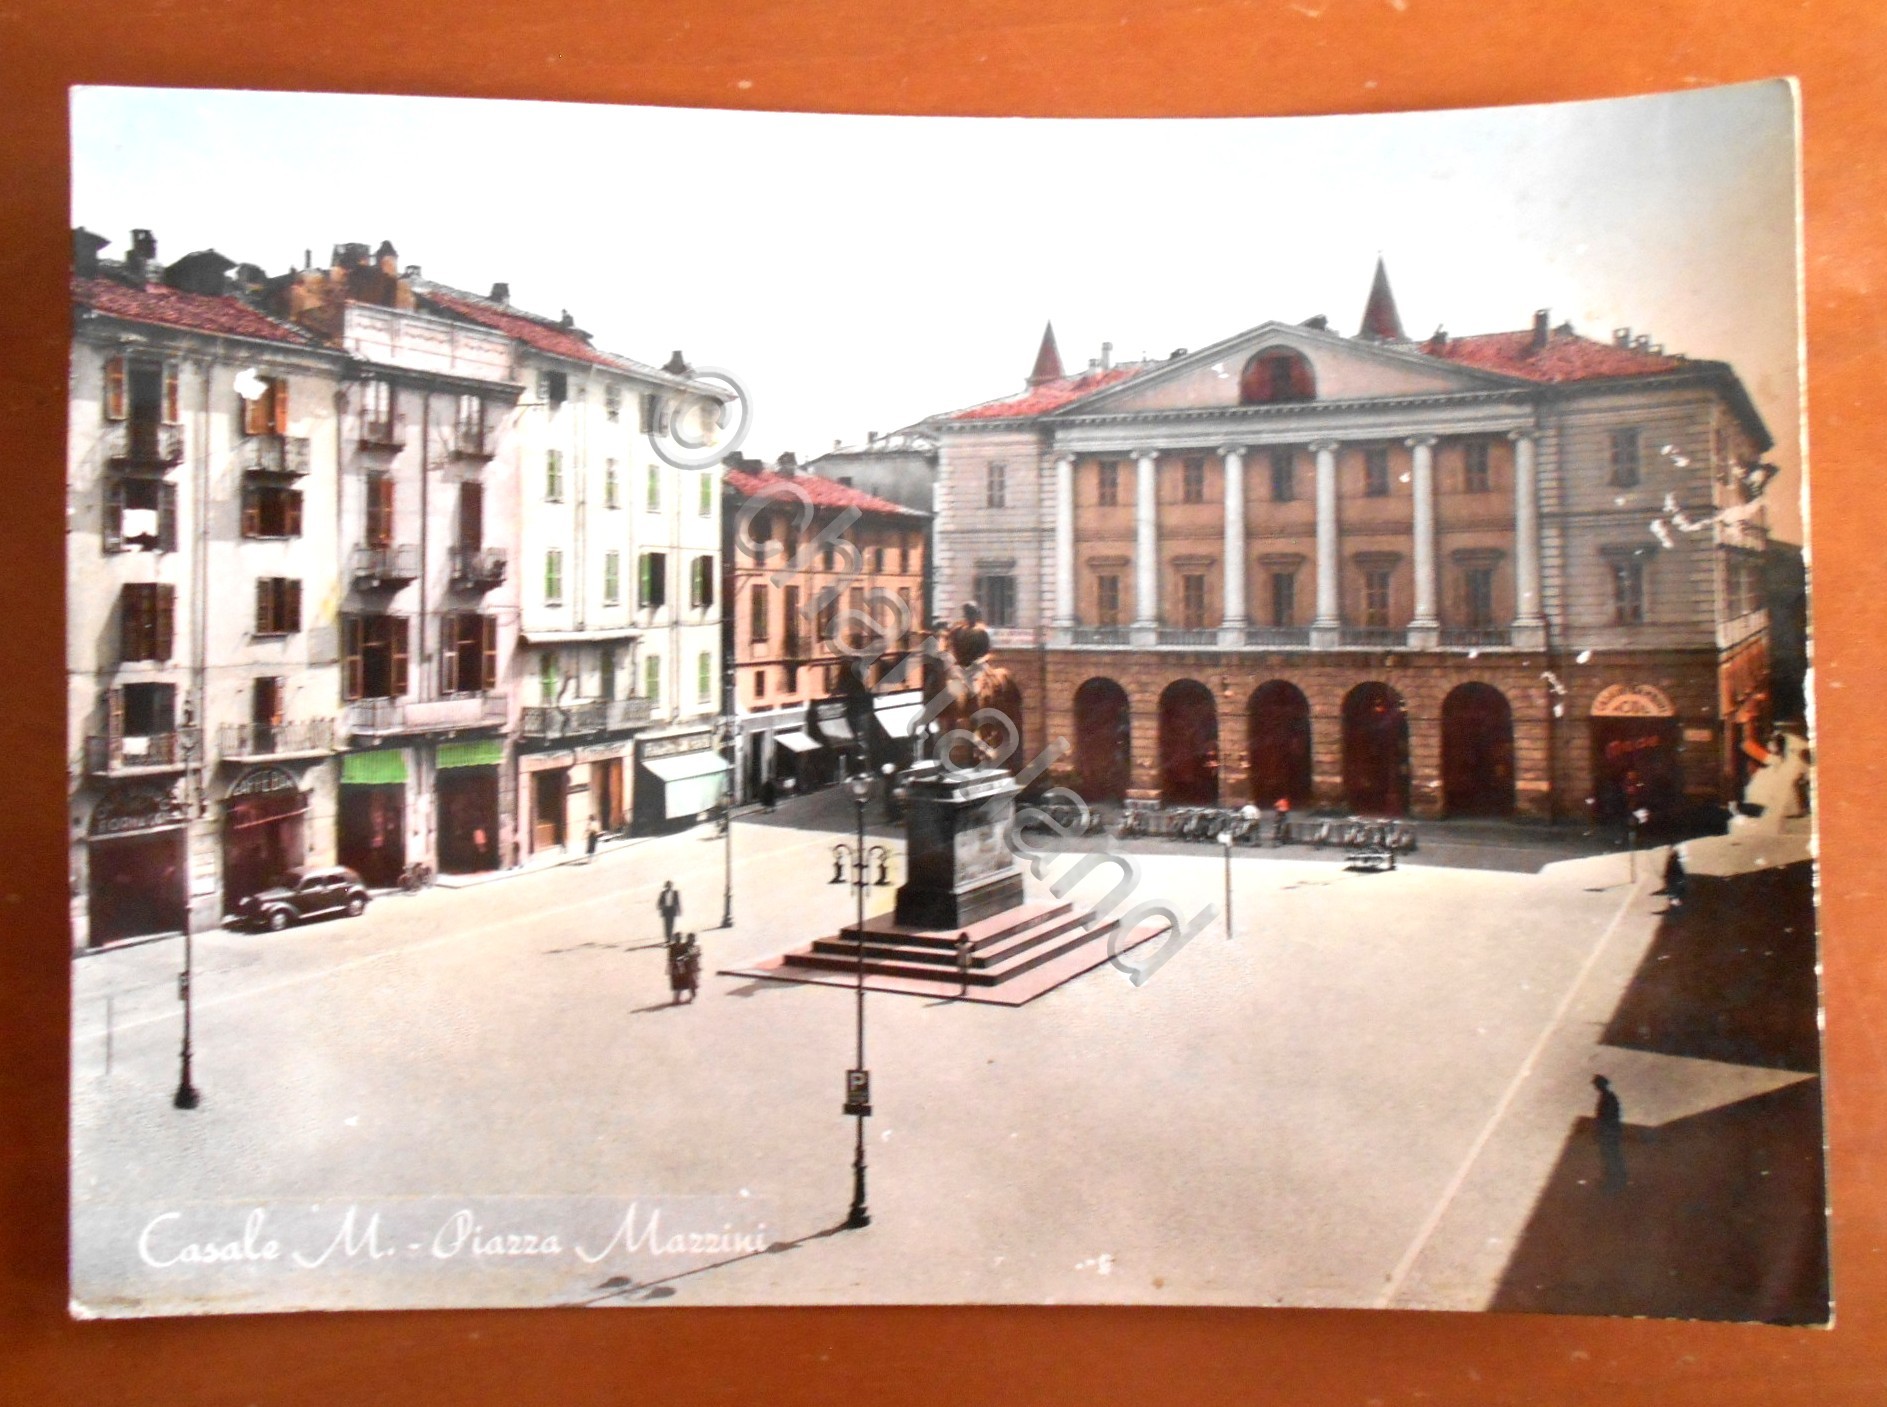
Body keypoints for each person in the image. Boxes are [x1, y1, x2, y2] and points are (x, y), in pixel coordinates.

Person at [1592, 1075, 1627, 1193]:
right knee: (1611, 1155)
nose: (1596, 1087)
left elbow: (1607, 1117)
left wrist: (1602, 1131)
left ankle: (1614, 1180)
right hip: (1610, 1132)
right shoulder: (1609, 1097)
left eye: (1597, 1085)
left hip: (1608, 1133)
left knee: (1610, 1155)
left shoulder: (1608, 1099)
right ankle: (1616, 1178)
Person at [657, 880, 682, 948]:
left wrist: (679, 910)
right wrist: (660, 907)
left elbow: (677, 902)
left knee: (671, 924)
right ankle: (668, 939)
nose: (669, 887)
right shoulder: (663, 893)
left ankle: (670, 938)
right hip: (666, 910)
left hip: (672, 910)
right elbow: (659, 902)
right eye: (667, 886)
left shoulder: (675, 892)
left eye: (670, 886)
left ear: (671, 886)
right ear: (666, 887)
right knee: (666, 925)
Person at [955, 930, 975, 997]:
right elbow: (958, 954)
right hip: (960, 962)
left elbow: (969, 955)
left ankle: (965, 990)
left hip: (965, 962)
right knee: (961, 977)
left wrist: (969, 963)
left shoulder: (968, 945)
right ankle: (962, 990)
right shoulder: (958, 945)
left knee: (965, 977)